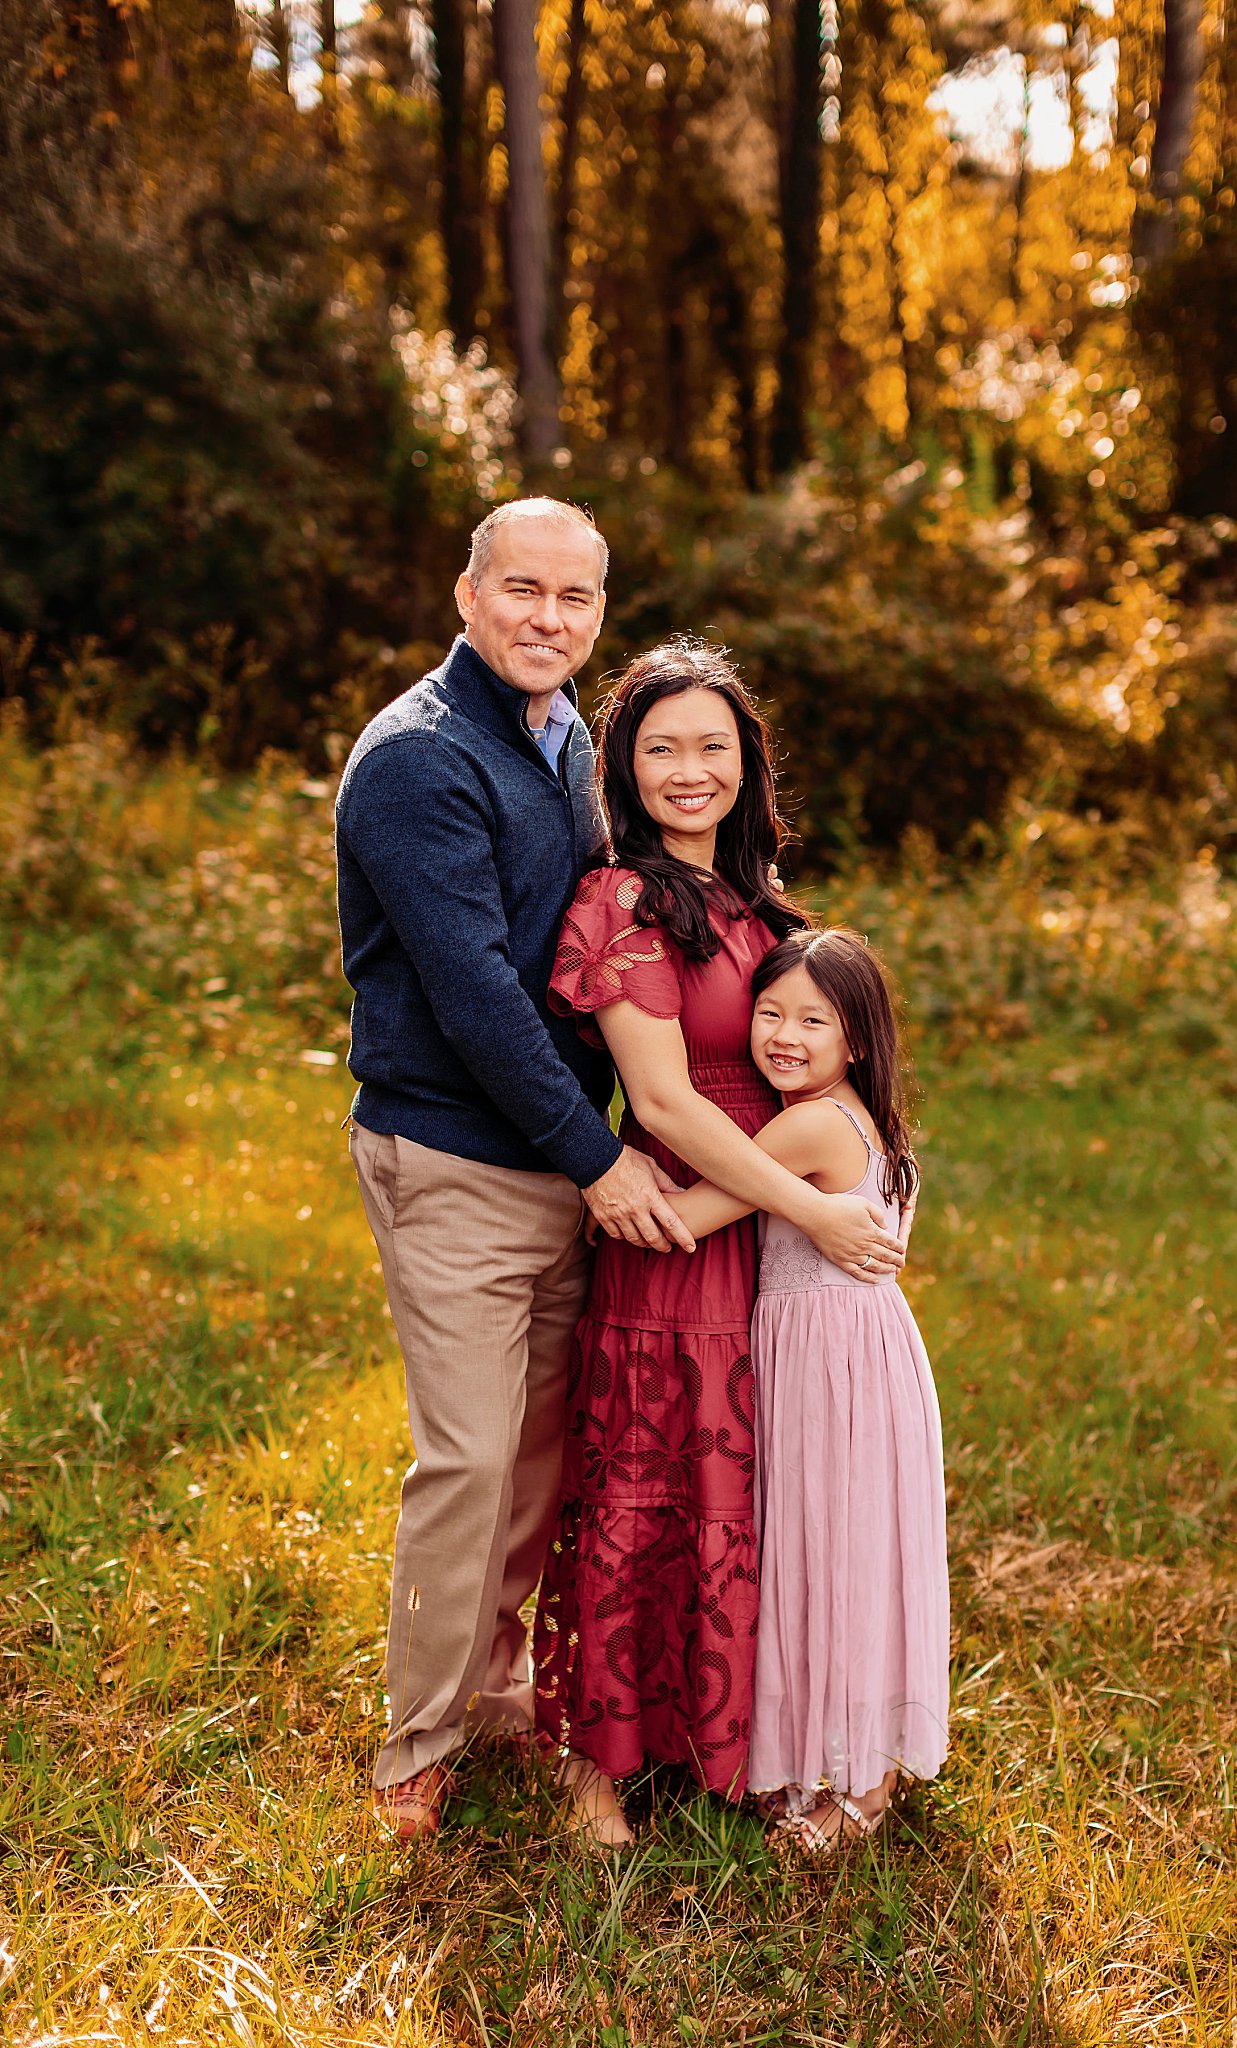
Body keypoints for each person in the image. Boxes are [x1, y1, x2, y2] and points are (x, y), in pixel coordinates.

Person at [335, 498, 697, 1842]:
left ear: (600, 611)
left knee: (542, 1458)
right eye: (522, 590)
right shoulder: (419, 762)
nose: (548, 618)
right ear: (466, 593)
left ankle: (496, 1688)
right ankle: (414, 1746)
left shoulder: (557, 744)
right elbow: (479, 994)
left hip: (556, 1157)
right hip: (456, 1158)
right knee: (470, 1459)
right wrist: (600, 1156)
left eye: (576, 598)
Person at [533, 640, 907, 1849]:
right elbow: (674, 1102)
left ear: (747, 762)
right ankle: (598, 1770)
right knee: (643, 1482)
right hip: (676, 1219)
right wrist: (812, 1206)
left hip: (759, 1241)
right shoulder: (624, 900)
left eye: (712, 746)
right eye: (659, 748)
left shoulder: (758, 905)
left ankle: (721, 1737)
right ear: (621, 769)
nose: (688, 771)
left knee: (744, 1493)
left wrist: (827, 1187)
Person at [665, 927, 950, 1852]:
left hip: (826, 1364)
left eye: (812, 1021)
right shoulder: (869, 1117)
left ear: (855, 1039)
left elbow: (689, 1216)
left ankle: (859, 1785)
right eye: (770, 1013)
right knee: (847, 1553)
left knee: (824, 1552)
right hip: (863, 1354)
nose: (783, 1035)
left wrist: (603, 1178)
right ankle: (845, 1757)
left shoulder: (811, 1124)